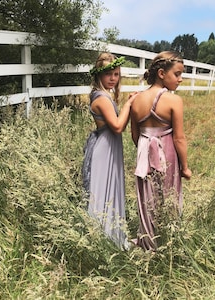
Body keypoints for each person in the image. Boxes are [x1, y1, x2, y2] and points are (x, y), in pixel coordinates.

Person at [130, 51, 192, 251]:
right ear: (162, 74)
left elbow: (135, 134)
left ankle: (148, 242)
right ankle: (169, 240)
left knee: (147, 197)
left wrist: (146, 151)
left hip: (144, 154)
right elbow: (179, 138)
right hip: (168, 154)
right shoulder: (174, 101)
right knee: (169, 195)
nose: (180, 79)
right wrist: (185, 167)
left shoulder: (136, 100)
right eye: (177, 74)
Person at [82, 52, 137, 250]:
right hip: (104, 148)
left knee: (110, 189)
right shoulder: (102, 98)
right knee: (102, 191)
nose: (113, 78)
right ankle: (101, 238)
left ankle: (111, 237)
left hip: (109, 146)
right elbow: (117, 126)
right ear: (98, 76)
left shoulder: (104, 96)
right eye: (108, 75)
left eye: (116, 74)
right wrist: (129, 105)